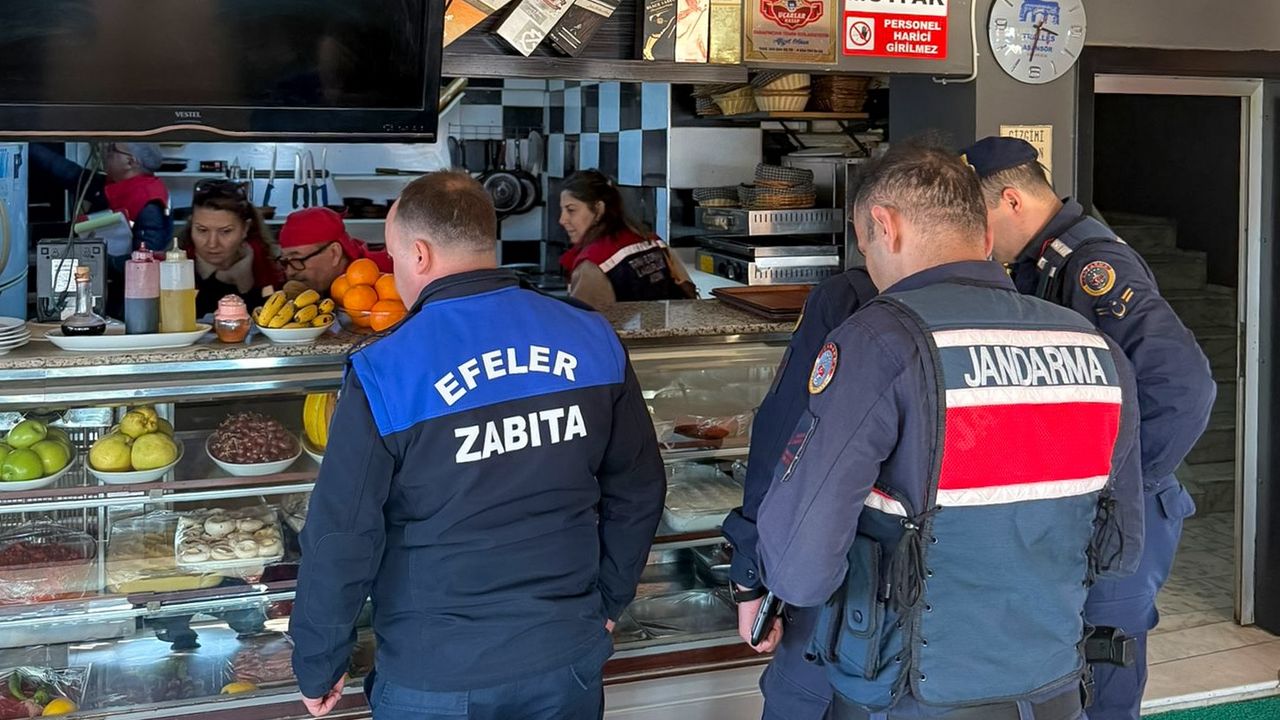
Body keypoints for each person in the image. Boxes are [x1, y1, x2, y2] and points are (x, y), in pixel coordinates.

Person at [755, 144, 1146, 720]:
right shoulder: (1096, 348)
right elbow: (1119, 549)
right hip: (1052, 688)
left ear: (884, 225)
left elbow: (800, 567)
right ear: (985, 235)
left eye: (864, 243)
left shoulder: (879, 341)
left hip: (907, 695)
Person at [290, 171, 667, 720]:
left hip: (435, 671)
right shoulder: (591, 335)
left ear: (419, 254)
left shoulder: (386, 368)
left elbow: (343, 533)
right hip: (564, 655)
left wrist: (319, 659)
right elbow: (638, 487)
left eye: (393, 258)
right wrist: (611, 597)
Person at [960, 136, 1217, 720]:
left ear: (1011, 200)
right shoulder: (1043, 261)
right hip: (1085, 511)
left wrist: (1119, 485)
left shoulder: (1092, 265)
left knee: (1104, 669)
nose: (978, 239)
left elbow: (1185, 389)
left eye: (978, 219)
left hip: (1124, 514)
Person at [721, 265, 878, 719]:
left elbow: (784, 443)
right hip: (966, 635)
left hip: (837, 602)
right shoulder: (1025, 312)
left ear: (883, 231)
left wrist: (750, 577)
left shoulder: (849, 300)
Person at [558, 169, 696, 307]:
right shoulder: (652, 241)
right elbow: (689, 296)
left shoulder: (592, 266)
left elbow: (583, 319)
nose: (562, 220)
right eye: (562, 210)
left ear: (598, 209)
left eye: (571, 210)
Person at [177, 179, 283, 317]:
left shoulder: (274, 268)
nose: (212, 243)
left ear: (245, 229)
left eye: (225, 231)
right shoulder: (171, 270)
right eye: (202, 230)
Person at [277, 207, 393, 295]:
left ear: (335, 253)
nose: (289, 272)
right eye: (285, 262)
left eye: (297, 259)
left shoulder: (389, 281)